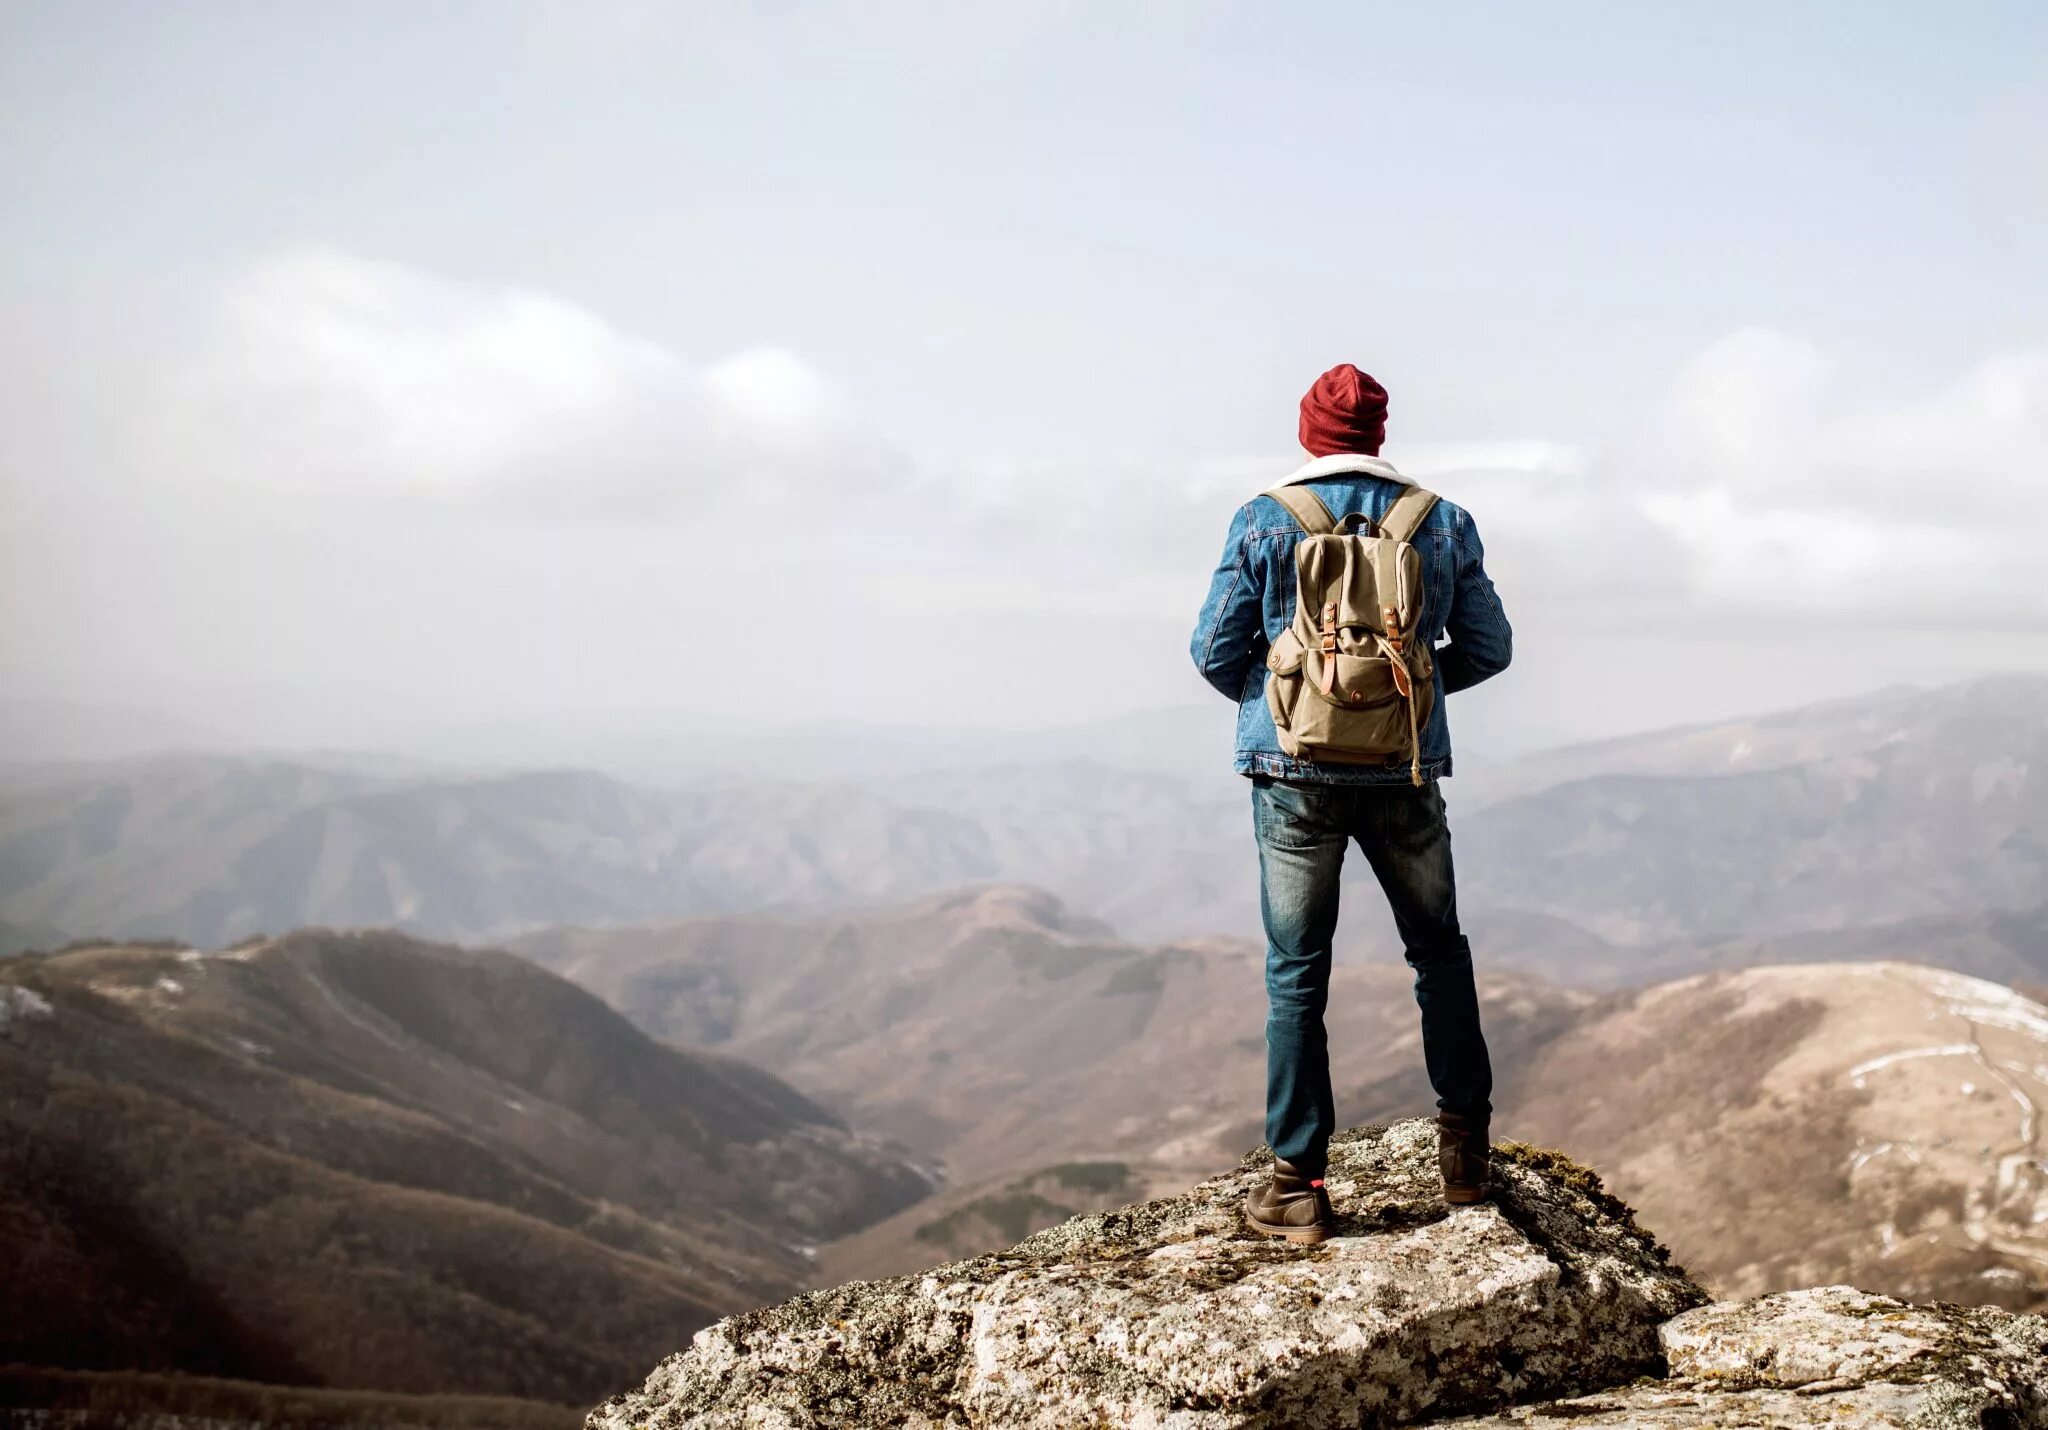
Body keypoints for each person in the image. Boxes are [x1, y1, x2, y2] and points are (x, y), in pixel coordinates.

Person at [1189, 363, 1513, 1242]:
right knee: (1438, 953)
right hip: (1405, 770)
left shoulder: (1264, 518)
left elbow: (1213, 650)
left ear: (1308, 432)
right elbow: (1489, 646)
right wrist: (1403, 702)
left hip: (1292, 773)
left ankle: (1298, 1184)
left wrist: (1291, 702)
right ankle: (1466, 1163)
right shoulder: (1440, 522)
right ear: (1377, 432)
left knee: (1297, 971)